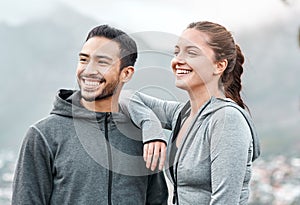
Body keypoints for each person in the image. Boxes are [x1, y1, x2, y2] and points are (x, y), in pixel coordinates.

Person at [12, 25, 168, 205]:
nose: (89, 70)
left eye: (102, 62)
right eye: (84, 60)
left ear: (126, 73)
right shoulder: (44, 135)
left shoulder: (142, 138)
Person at [120, 21, 260, 204]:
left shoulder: (226, 119)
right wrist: (151, 127)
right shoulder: (182, 114)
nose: (178, 60)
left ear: (219, 66)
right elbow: (124, 97)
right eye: (177, 51)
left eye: (192, 53)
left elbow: (225, 201)